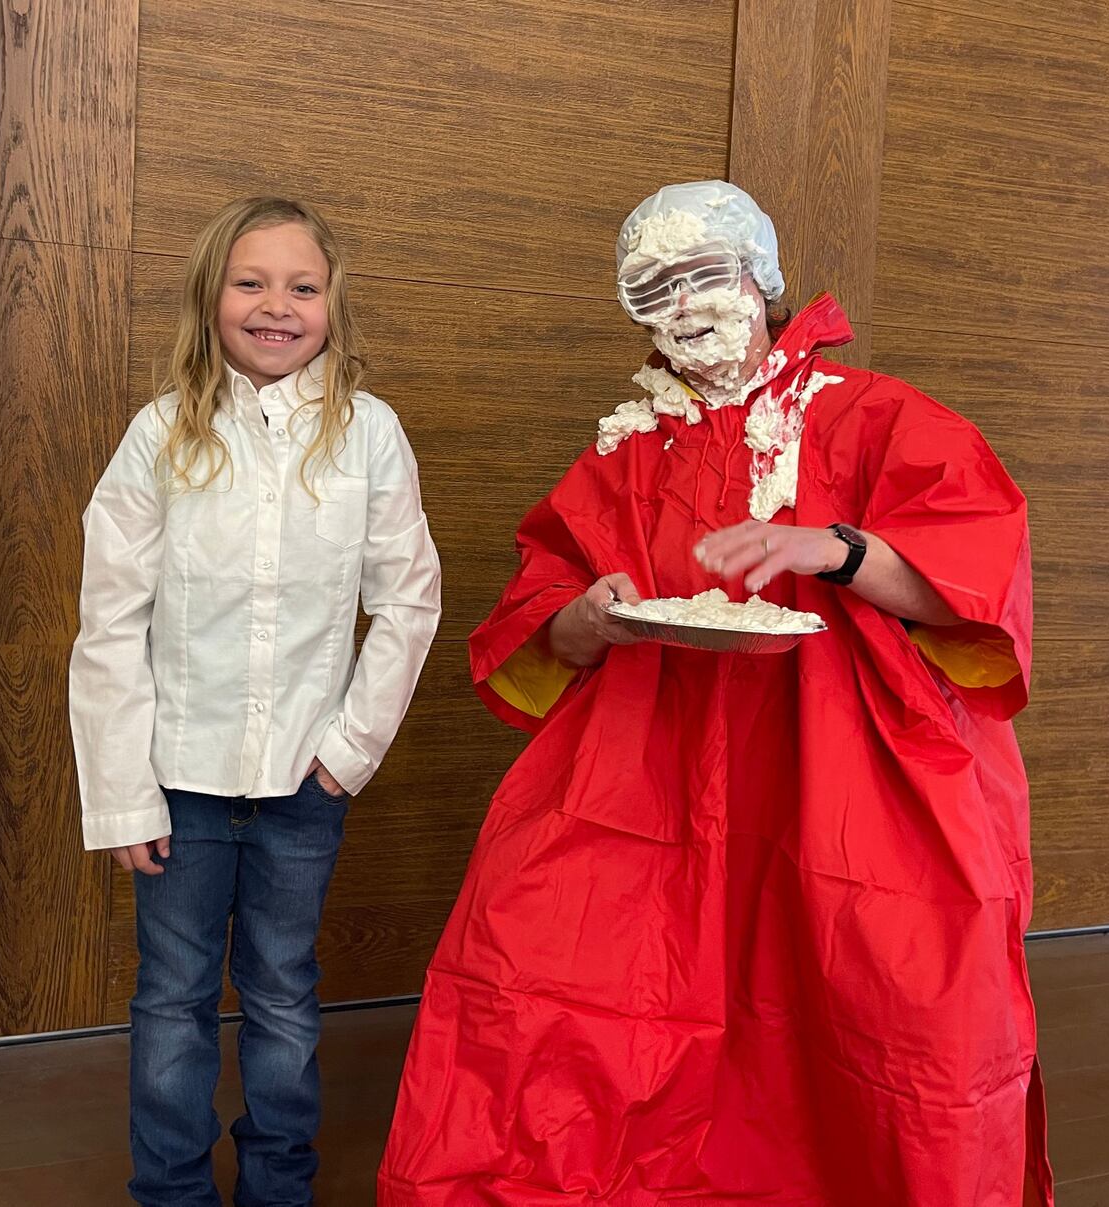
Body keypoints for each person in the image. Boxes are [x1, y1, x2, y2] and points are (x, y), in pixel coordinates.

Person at [378, 181, 1050, 1205]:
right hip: (642, 767)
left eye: (704, 275)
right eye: (653, 287)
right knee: (540, 970)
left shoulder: (878, 417)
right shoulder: (623, 451)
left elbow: (975, 582)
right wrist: (588, 616)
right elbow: (542, 611)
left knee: (878, 999)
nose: (684, 304)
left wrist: (829, 547)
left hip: (847, 770)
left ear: (762, 279)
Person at [69, 195, 441, 1207]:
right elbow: (111, 622)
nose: (276, 306)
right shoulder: (162, 436)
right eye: (251, 282)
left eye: (301, 286)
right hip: (176, 783)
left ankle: (279, 1189)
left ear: (331, 304)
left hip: (302, 784)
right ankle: (172, 1191)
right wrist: (121, 794)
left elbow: (407, 601)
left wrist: (346, 752)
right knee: (173, 999)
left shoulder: (368, 435)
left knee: (281, 995)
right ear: (211, 296)